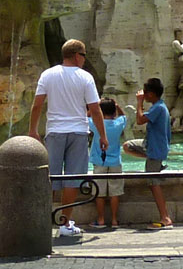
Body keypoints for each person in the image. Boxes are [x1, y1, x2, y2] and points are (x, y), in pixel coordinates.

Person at [29, 39, 107, 242]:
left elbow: (37, 105)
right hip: (79, 132)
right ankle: (65, 223)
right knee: (72, 179)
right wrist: (103, 135)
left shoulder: (48, 74)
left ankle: (42, 221)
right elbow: (95, 109)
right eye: (84, 55)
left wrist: (33, 130)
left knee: (49, 179)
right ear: (76, 55)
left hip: (54, 131)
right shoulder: (85, 77)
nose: (84, 59)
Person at [129, 78, 172, 229]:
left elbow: (140, 120)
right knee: (128, 146)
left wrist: (139, 102)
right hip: (152, 148)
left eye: (146, 93)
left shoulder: (158, 108)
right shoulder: (159, 106)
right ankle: (153, 164)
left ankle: (165, 218)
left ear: (152, 94)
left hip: (156, 150)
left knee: (154, 184)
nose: (143, 95)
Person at [90, 99, 128, 231]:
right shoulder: (118, 123)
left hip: (99, 162)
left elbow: (85, 117)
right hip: (115, 162)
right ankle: (114, 220)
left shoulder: (95, 124)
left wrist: (94, 108)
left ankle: (100, 219)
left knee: (99, 192)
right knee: (115, 192)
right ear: (114, 111)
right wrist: (118, 106)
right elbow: (124, 116)